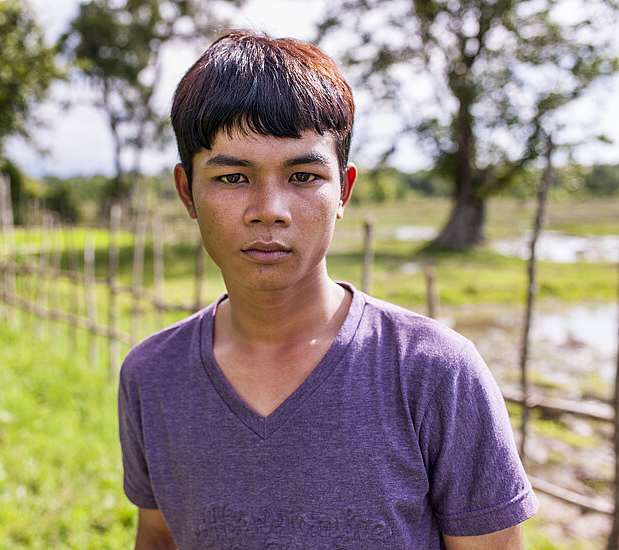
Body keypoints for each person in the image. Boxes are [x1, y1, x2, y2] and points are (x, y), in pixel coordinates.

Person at [118, 30, 538, 549]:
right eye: (232, 178)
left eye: (302, 175)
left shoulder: (433, 372)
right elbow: (158, 536)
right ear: (187, 192)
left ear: (343, 189)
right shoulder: (153, 375)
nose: (269, 208)